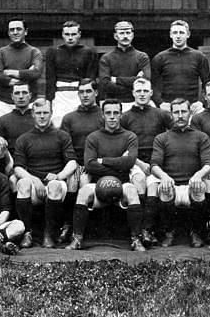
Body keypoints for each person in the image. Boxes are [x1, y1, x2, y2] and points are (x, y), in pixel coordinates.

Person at [65, 99, 145, 252]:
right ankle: (77, 239)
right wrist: (118, 163)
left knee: (132, 192)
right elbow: (89, 164)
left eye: (116, 113)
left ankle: (136, 239)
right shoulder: (93, 137)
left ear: (121, 115)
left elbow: (129, 162)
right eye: (108, 113)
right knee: (83, 192)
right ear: (102, 115)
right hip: (96, 183)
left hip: (123, 183)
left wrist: (103, 161)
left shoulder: (130, 137)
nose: (112, 117)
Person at [148, 98, 210, 247]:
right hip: (172, 184)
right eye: (176, 112)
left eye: (183, 111)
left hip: (192, 184)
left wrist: (198, 176)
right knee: (165, 189)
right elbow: (154, 165)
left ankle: (196, 232)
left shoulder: (201, 137)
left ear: (189, 113)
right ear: (171, 114)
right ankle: (169, 232)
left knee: (199, 188)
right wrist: (164, 177)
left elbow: (209, 164)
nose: (180, 115)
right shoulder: (162, 138)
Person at [13, 98, 78, 248]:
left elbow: (72, 162)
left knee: (54, 186)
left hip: (56, 184)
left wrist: (58, 176)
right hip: (35, 185)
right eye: (38, 113)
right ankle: (27, 233)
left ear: (51, 114)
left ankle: (49, 234)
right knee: (22, 183)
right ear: (33, 115)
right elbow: (18, 168)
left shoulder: (62, 136)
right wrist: (33, 179)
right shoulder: (24, 139)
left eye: (45, 113)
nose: (42, 116)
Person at [120, 78, 173, 244]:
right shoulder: (126, 117)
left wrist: (158, 163)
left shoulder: (161, 115)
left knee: (154, 185)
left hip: (157, 162)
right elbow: (121, 145)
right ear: (133, 93)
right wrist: (138, 163)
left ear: (151, 93)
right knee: (140, 181)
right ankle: (139, 231)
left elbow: (173, 137)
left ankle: (147, 229)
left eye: (145, 91)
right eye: (138, 91)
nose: (142, 94)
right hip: (134, 162)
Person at [59, 78, 104, 244]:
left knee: (87, 182)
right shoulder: (69, 118)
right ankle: (68, 224)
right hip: (76, 163)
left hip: (98, 163)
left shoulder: (103, 115)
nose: (85, 95)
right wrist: (76, 165)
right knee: (75, 179)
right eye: (82, 92)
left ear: (96, 93)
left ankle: (90, 228)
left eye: (88, 91)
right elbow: (65, 146)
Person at [45, 21, 99, 128]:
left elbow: (90, 79)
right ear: (62, 35)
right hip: (60, 96)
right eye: (67, 34)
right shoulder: (53, 52)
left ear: (79, 34)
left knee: (80, 126)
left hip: (79, 94)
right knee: (58, 125)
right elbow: (50, 79)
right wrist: (49, 102)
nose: (70, 38)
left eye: (73, 34)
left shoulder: (89, 52)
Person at [151, 20, 209, 114]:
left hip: (192, 109)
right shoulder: (160, 58)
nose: (178, 36)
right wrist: (160, 103)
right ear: (170, 34)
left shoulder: (199, 57)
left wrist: (201, 101)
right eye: (175, 33)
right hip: (168, 109)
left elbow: (207, 82)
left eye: (181, 32)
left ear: (188, 34)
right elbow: (152, 84)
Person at [0, 18, 43, 120]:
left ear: (25, 32)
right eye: (12, 30)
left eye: (18, 29)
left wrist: (10, 72)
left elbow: (36, 73)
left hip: (30, 103)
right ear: (8, 33)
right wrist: (25, 76)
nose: (15, 32)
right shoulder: (0, 53)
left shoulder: (34, 52)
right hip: (4, 103)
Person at [99, 21, 150, 112]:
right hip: (114, 105)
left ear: (132, 35)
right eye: (122, 33)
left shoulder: (142, 57)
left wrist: (116, 80)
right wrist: (134, 81)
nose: (125, 36)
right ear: (115, 36)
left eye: (128, 33)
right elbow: (105, 84)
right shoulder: (106, 58)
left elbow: (145, 80)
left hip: (136, 104)